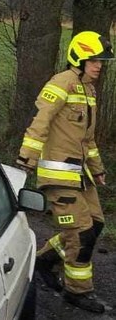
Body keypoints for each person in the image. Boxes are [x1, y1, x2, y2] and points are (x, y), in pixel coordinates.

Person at [16, 31, 113, 314]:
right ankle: (77, 292)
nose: (99, 66)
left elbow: (88, 139)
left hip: (80, 176)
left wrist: (98, 170)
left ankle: (44, 260)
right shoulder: (61, 84)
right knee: (81, 233)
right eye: (94, 61)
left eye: (101, 62)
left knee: (95, 226)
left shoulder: (89, 92)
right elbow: (40, 122)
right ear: (79, 59)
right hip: (58, 176)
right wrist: (26, 159)